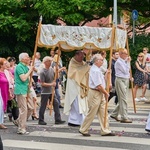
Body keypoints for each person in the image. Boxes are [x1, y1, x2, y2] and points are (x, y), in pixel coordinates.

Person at [79, 54, 115, 136]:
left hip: (100, 92)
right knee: (92, 112)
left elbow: (102, 80)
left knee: (103, 112)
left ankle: (105, 129)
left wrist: (107, 73)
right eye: (101, 60)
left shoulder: (98, 69)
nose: (102, 61)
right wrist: (106, 93)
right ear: (96, 61)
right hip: (95, 92)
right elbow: (98, 85)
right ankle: (83, 129)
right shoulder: (95, 70)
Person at [64, 50, 90, 127]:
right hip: (74, 86)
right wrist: (86, 67)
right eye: (81, 56)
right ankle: (74, 120)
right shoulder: (72, 63)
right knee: (76, 104)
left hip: (81, 86)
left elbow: (85, 69)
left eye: (83, 56)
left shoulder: (83, 63)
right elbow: (76, 73)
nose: (82, 58)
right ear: (76, 55)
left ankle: (77, 120)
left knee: (81, 104)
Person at [38, 56, 65, 125]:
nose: (50, 62)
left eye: (51, 61)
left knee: (56, 104)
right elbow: (42, 83)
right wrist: (51, 84)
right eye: (49, 61)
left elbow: (56, 77)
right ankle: (41, 120)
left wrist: (57, 72)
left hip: (51, 91)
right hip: (45, 91)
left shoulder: (52, 69)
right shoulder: (42, 72)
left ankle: (58, 119)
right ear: (45, 62)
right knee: (43, 105)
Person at [110, 48, 132, 123]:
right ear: (121, 54)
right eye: (125, 54)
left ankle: (114, 114)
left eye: (126, 53)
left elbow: (127, 73)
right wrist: (128, 62)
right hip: (120, 80)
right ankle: (124, 117)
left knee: (123, 98)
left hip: (125, 79)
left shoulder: (124, 61)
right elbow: (126, 70)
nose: (126, 55)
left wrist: (130, 77)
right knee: (123, 99)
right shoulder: (119, 62)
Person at [14, 53, 34, 134]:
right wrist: (30, 70)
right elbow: (23, 78)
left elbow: (28, 78)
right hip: (20, 90)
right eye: (27, 57)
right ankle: (21, 128)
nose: (28, 58)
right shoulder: (19, 66)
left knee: (31, 108)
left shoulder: (25, 66)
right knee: (24, 109)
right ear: (22, 59)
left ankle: (19, 121)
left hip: (26, 89)